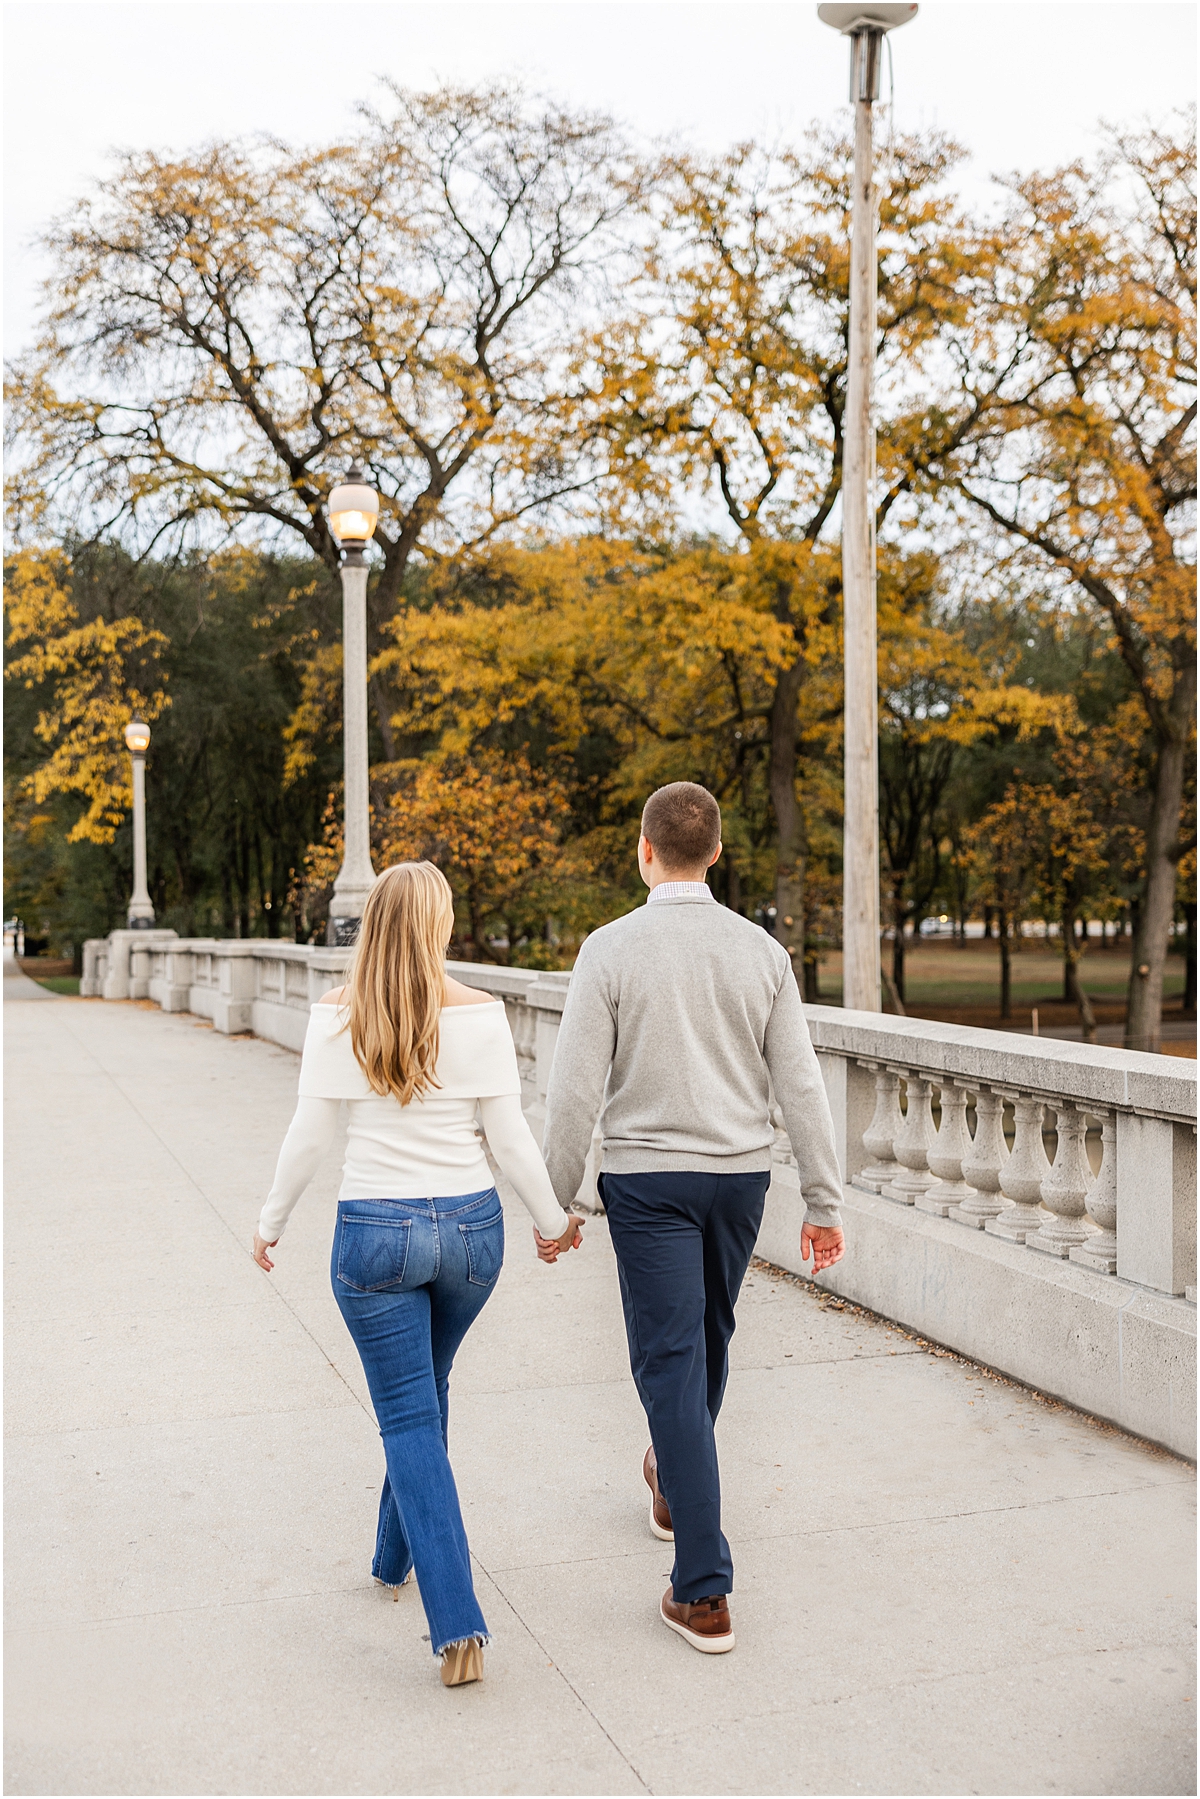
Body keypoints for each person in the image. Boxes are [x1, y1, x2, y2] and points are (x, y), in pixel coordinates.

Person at [253, 862, 583, 1687]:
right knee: (425, 1396)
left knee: (406, 1414)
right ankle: (390, 1556)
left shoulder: (336, 1018)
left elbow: (308, 1138)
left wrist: (270, 1224)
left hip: (376, 1238)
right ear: (438, 925)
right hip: (471, 1235)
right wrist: (553, 1224)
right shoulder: (484, 1016)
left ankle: (457, 1623)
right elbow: (509, 1141)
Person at [537, 782, 845, 1655]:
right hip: (738, 1181)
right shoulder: (763, 954)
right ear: (716, 853)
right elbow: (803, 1087)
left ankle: (702, 1588)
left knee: (673, 1359)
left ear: (643, 850)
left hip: (650, 1182)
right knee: (703, 1343)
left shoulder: (609, 950)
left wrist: (555, 1199)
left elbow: (573, 1092)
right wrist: (823, 1200)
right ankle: (674, 1486)